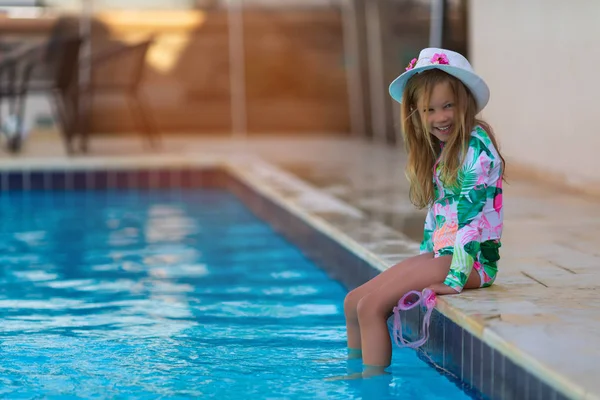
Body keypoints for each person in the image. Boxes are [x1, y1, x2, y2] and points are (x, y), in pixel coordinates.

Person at [342, 48, 505, 377]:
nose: (440, 117)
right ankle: (353, 375)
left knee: (371, 307)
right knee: (352, 302)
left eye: (448, 106)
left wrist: (455, 278)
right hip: (444, 254)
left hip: (473, 263)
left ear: (465, 104)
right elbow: (438, 217)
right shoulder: (444, 150)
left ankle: (371, 387)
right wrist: (424, 260)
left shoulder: (476, 150)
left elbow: (471, 223)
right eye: (429, 110)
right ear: (416, 113)